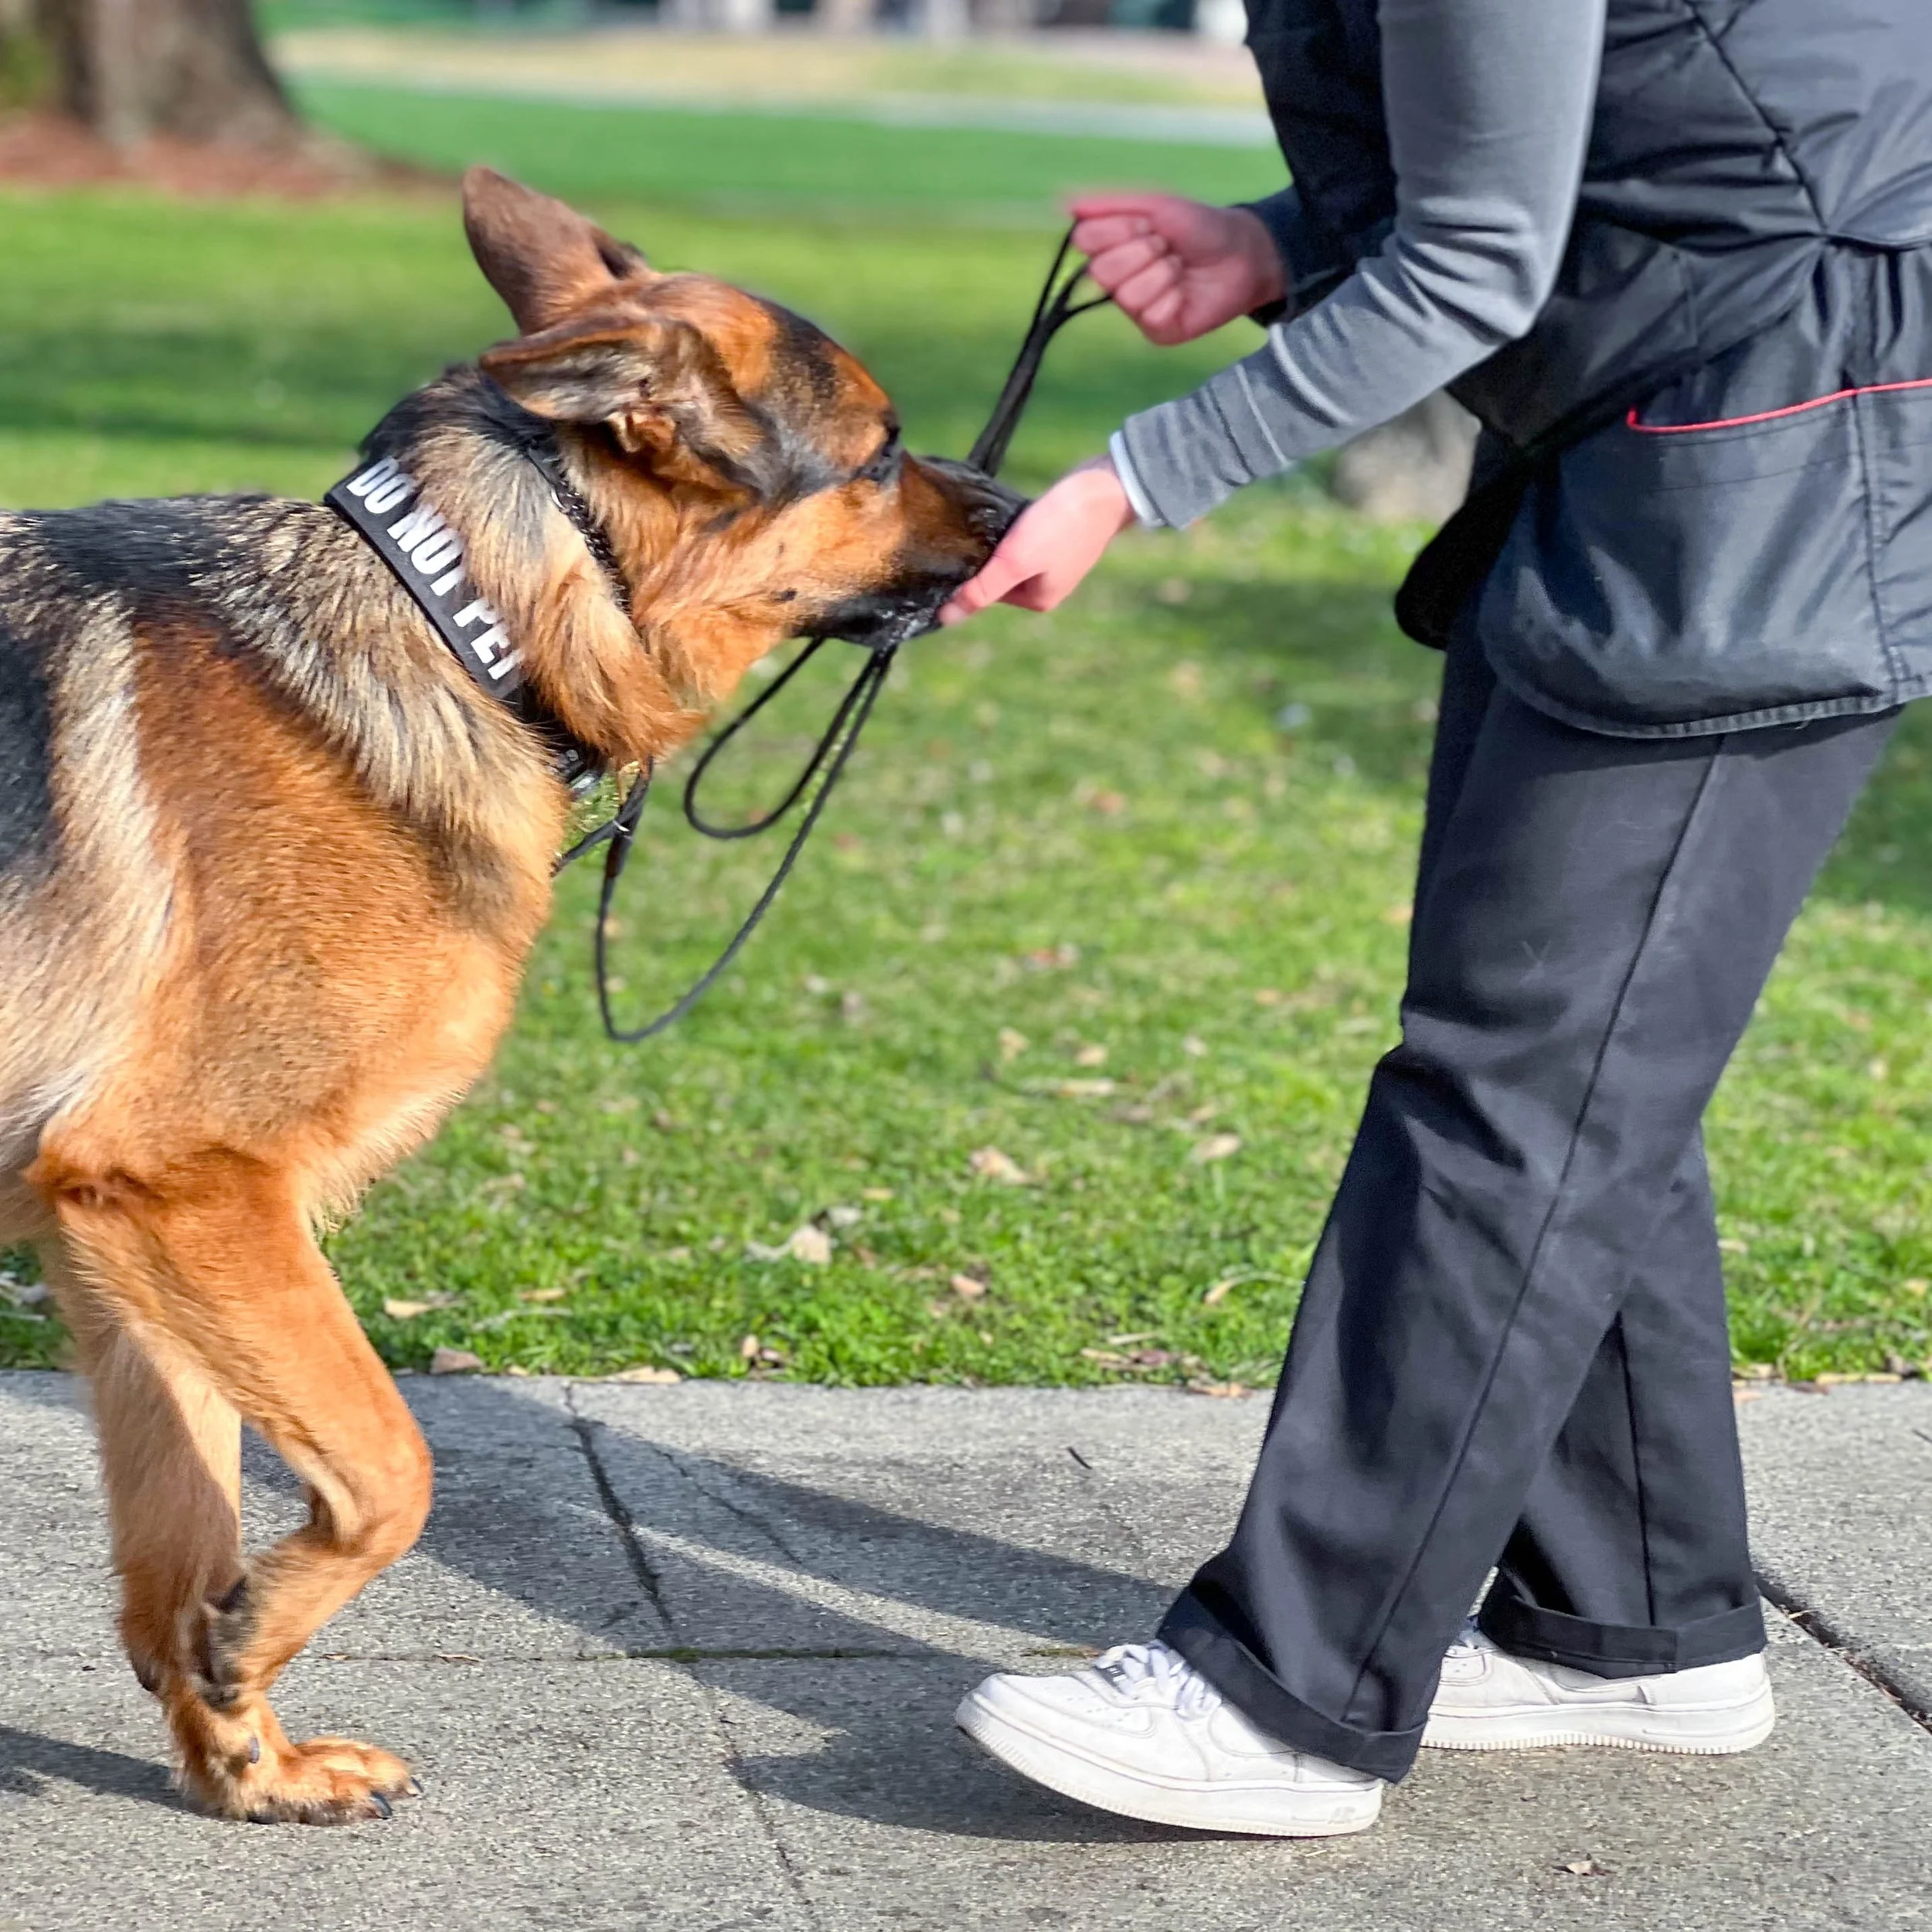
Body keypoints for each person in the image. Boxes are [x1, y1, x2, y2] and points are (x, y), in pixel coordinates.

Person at [939, 0, 1932, 1838]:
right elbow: (1547, 140)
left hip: (1783, 450)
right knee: (1569, 1051)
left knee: (1512, 1093)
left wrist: (1132, 478)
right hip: (1661, 425)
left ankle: (1290, 1693)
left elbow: (1479, 253)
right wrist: (1275, 241)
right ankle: (1630, 1624)